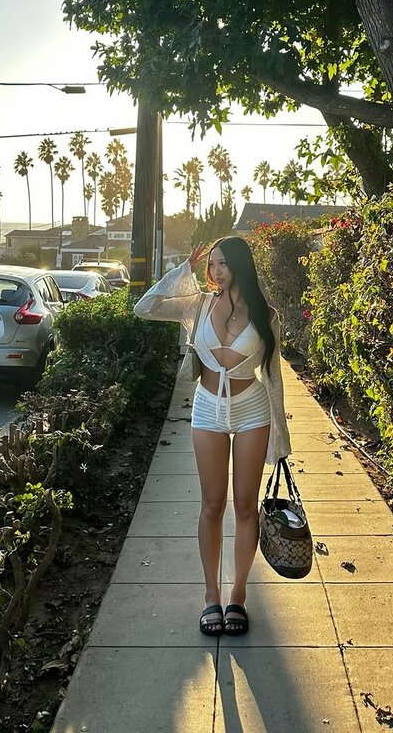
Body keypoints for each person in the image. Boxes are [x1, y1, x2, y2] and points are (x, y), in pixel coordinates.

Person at [133, 236, 291, 637]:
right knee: (211, 505)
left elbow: (273, 377)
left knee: (245, 507)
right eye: (212, 264)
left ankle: (237, 595)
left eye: (224, 263)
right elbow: (145, 307)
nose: (217, 271)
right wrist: (183, 271)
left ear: (240, 265)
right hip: (207, 409)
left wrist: (281, 439)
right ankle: (211, 596)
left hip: (252, 410)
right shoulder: (197, 304)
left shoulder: (266, 315)